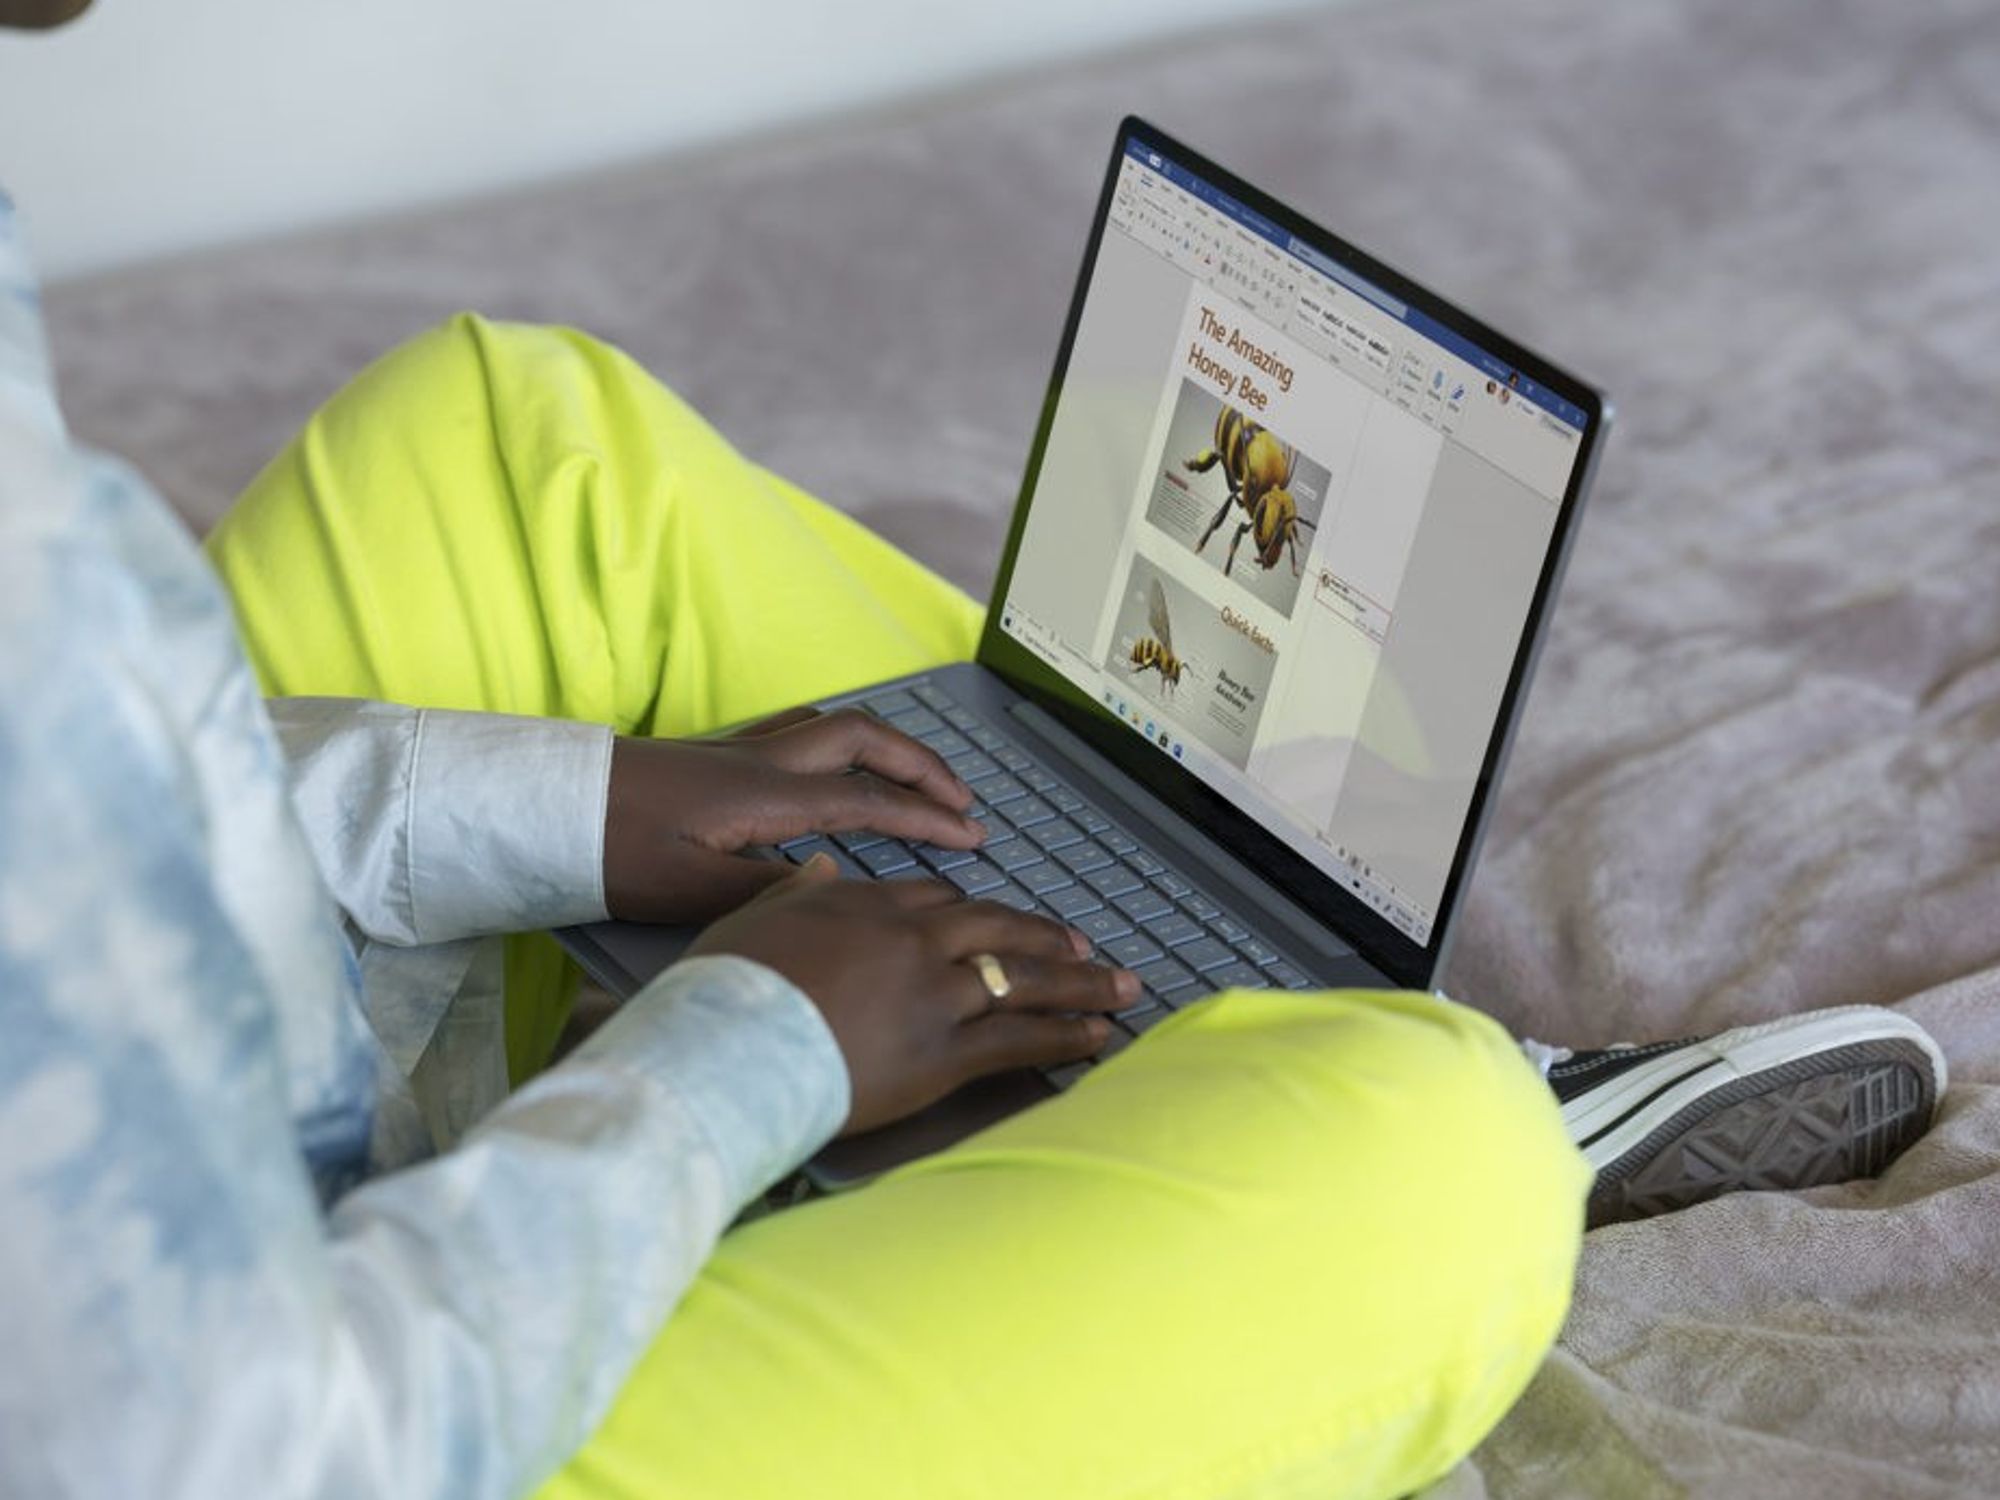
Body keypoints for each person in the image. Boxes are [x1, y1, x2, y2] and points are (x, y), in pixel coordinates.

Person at [0, 6, 1947, 1497]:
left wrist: (558, 813)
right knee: (1438, 1169)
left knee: (512, 440)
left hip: (196, 1168)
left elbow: (77, 812)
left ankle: (1198, 994)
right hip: (325, 1421)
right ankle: (1352, 1088)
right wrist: (739, 1057)